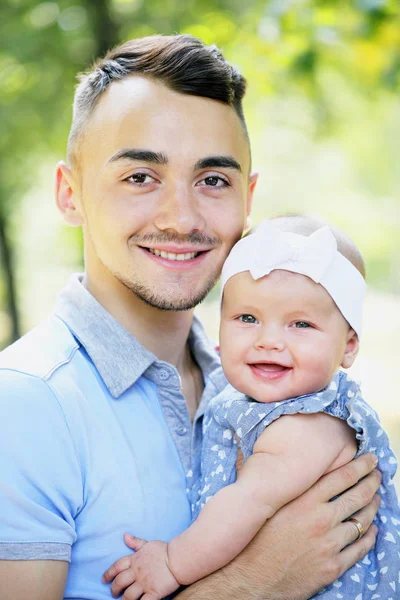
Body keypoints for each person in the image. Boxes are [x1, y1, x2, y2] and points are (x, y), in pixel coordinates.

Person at [0, 36, 381, 600]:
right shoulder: (25, 404)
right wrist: (254, 582)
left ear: (248, 201)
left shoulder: (261, 381)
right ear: (70, 193)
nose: (181, 218)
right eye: (139, 177)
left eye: (213, 181)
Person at [103, 215, 400, 600]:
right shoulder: (250, 397)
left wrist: (172, 563)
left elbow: (244, 505)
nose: (269, 340)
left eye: (301, 324)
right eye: (247, 318)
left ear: (348, 346)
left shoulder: (310, 423)